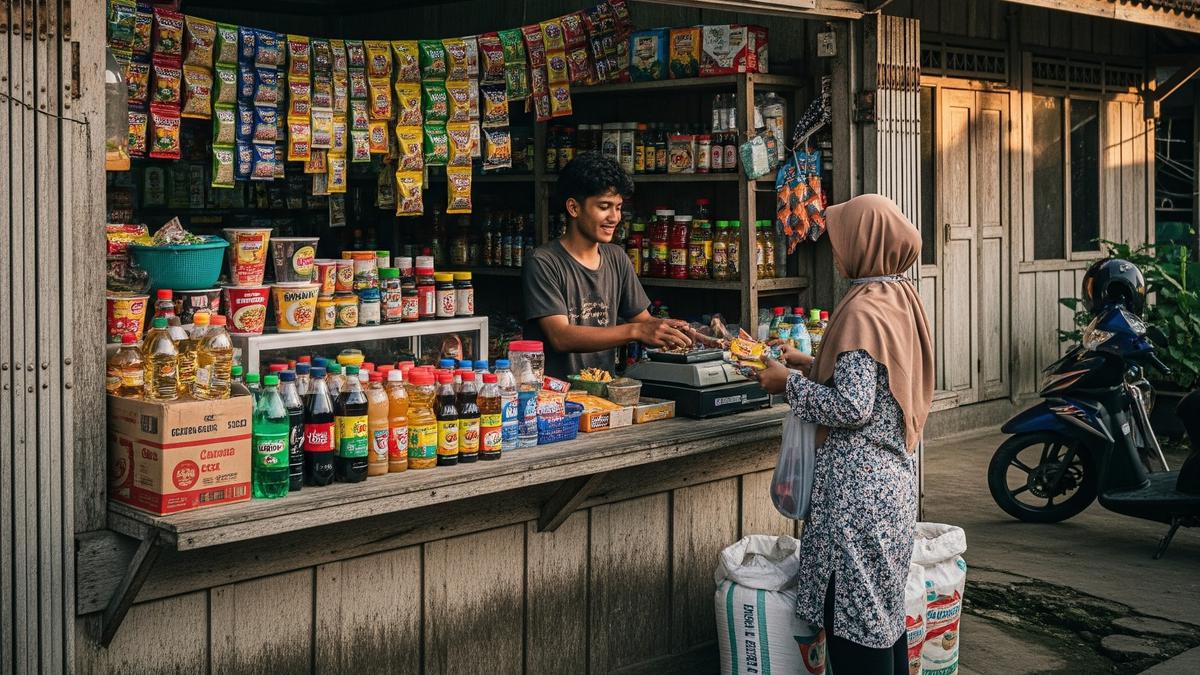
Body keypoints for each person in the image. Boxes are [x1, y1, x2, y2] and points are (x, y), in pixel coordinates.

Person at [752, 194, 934, 675]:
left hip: (856, 496)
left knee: (854, 629)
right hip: (891, 486)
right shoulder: (899, 297)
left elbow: (853, 406)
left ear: (864, 243)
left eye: (840, 240)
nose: (835, 251)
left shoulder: (861, 310)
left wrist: (786, 384)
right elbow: (877, 379)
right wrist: (811, 364)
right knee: (882, 620)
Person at [522, 152, 691, 379]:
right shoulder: (543, 262)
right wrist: (636, 330)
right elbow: (560, 337)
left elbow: (644, 321)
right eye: (604, 206)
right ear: (573, 208)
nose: (615, 217)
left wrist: (679, 332)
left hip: (603, 393)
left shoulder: (616, 257)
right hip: (555, 395)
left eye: (618, 207)